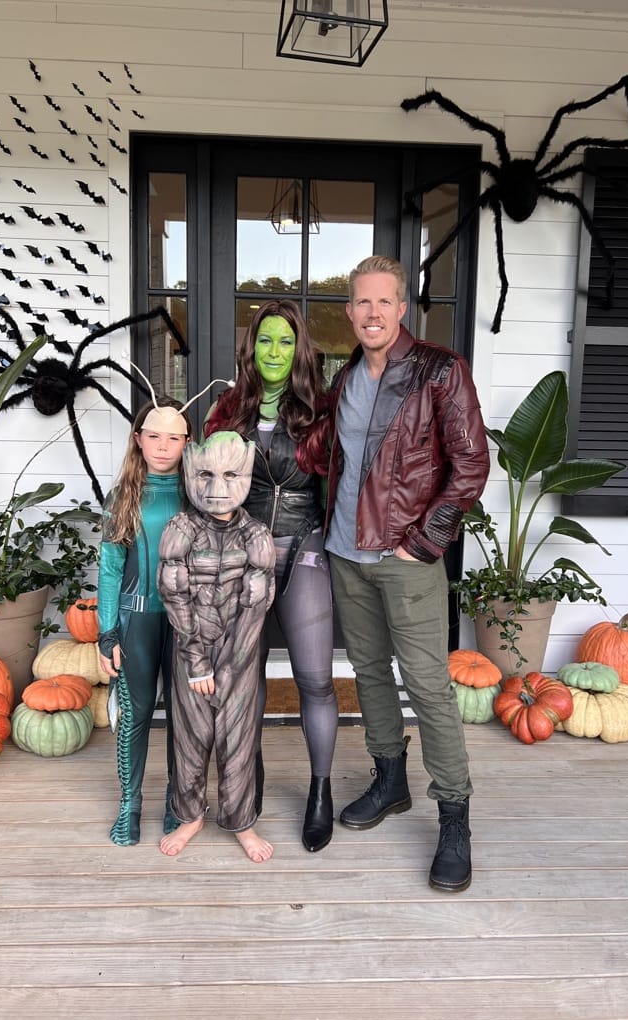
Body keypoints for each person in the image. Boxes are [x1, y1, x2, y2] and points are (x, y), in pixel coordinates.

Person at [323, 255, 490, 892]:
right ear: (350, 313)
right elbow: (335, 456)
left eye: (383, 302)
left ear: (402, 309)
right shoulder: (346, 376)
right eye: (361, 303)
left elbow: (471, 464)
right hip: (346, 553)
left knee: (427, 685)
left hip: (406, 557)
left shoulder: (439, 371)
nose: (372, 314)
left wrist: (426, 542)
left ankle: (454, 818)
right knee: (366, 673)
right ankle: (390, 782)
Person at [203, 299, 337, 853]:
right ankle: (244, 787)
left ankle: (321, 791)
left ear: (299, 348)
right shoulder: (227, 409)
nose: (275, 351)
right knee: (243, 679)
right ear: (251, 348)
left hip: (304, 547)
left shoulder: (322, 410)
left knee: (314, 678)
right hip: (241, 558)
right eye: (265, 340)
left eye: (285, 341)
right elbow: (205, 485)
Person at [157, 431, 277, 863]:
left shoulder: (258, 535)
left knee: (238, 740)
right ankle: (189, 815)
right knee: (191, 739)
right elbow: (175, 595)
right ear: (190, 473)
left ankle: (241, 821)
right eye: (205, 474)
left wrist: (231, 666)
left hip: (239, 656)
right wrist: (197, 663)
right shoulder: (180, 529)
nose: (216, 489)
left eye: (230, 475)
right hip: (192, 652)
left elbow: (256, 605)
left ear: (247, 474)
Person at [98, 395, 192, 847]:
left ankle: (178, 801)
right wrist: (106, 632)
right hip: (136, 621)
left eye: (174, 437)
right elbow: (111, 569)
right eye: (154, 436)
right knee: (134, 714)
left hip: (185, 623)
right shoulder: (124, 496)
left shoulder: (197, 494)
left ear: (186, 442)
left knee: (182, 715)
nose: (163, 446)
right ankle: (130, 804)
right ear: (138, 439)